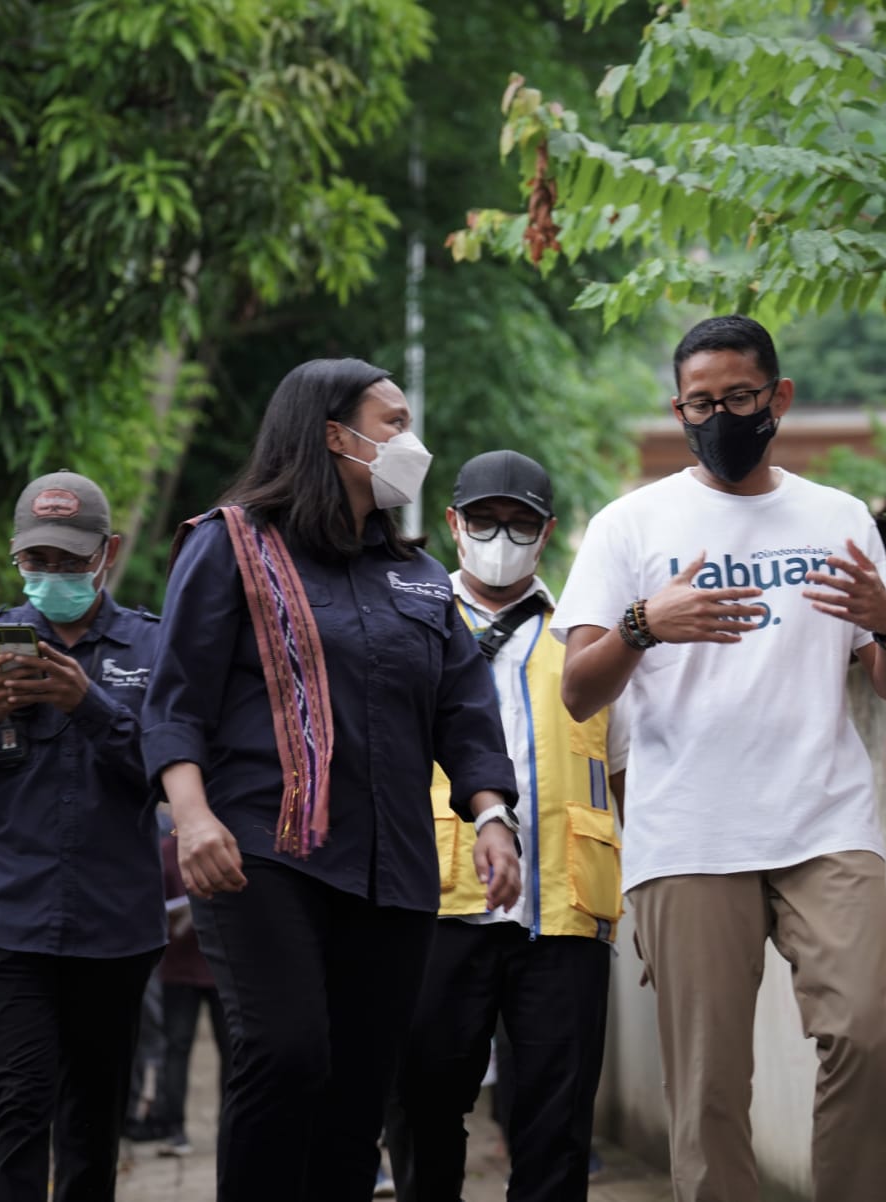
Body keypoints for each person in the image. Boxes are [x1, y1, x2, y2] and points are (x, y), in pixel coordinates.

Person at [551, 315, 886, 1202]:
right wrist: (647, 623)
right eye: (699, 403)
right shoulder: (629, 523)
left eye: (739, 399)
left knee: (871, 1026)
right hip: (688, 832)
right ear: (677, 408)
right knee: (711, 1089)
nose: (719, 417)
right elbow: (577, 692)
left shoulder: (839, 520)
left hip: (823, 820)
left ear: (779, 398)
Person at [140, 358, 522, 1202]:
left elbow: (464, 709)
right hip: (262, 853)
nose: (407, 441)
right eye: (392, 423)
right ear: (332, 434)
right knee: (286, 1054)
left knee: (357, 1088)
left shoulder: (418, 574)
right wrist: (192, 817)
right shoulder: (228, 543)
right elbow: (175, 699)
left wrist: (492, 815)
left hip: (393, 869)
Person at [0, 471, 165, 1202]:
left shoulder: (156, 648)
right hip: (4, 930)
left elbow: (177, 775)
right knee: (16, 1116)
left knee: (91, 1130)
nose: (52, 576)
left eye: (70, 561)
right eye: (36, 561)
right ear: (16, 556)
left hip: (115, 933)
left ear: (107, 552)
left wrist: (93, 705)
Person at [386, 451, 621, 1202]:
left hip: (564, 910)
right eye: (484, 520)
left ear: (546, 533)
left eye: (520, 523)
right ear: (453, 524)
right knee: (423, 1108)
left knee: (557, 1121)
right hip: (435, 902)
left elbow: (624, 771)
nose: (501, 536)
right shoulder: (408, 622)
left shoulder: (586, 640)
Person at [147, 828, 232, 1158]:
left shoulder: (228, 841)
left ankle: (231, 1125)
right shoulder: (166, 852)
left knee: (234, 1052)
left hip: (223, 969)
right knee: (175, 1048)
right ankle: (174, 1129)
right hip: (178, 969)